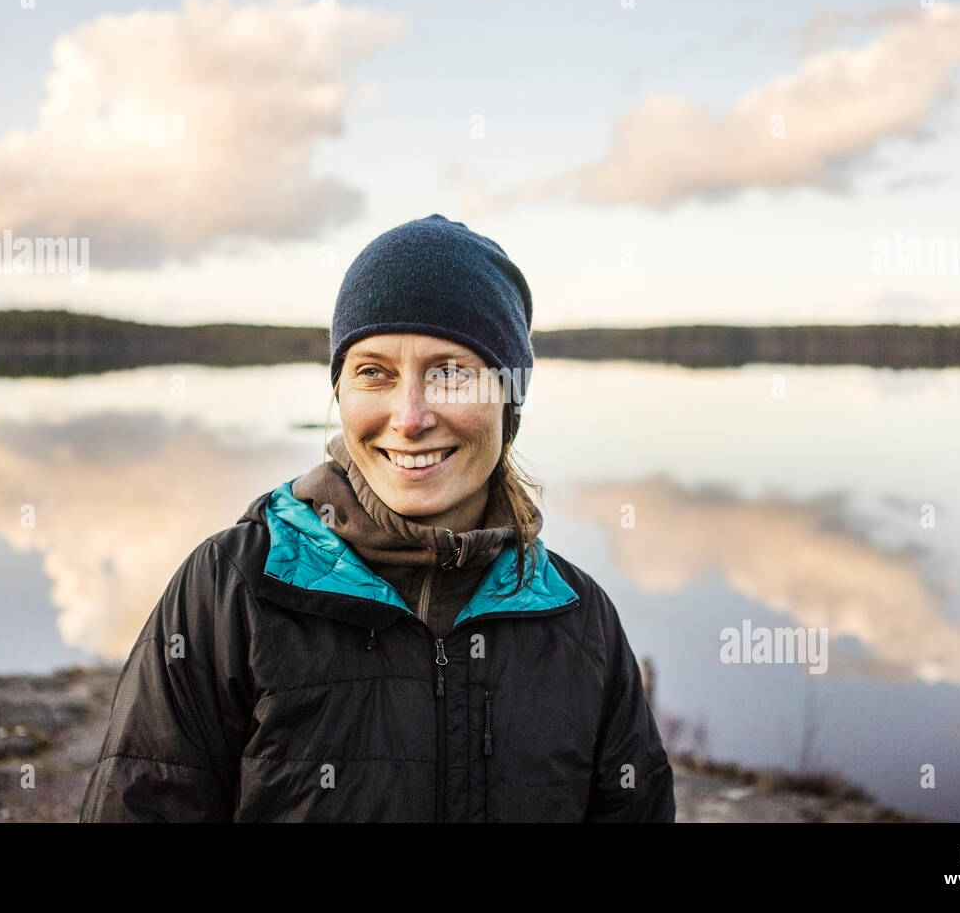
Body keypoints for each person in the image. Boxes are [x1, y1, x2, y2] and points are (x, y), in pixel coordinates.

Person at [80, 213, 675, 822]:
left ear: (508, 401)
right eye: (374, 373)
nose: (410, 417)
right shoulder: (232, 588)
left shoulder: (578, 621)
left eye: (449, 373)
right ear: (340, 393)